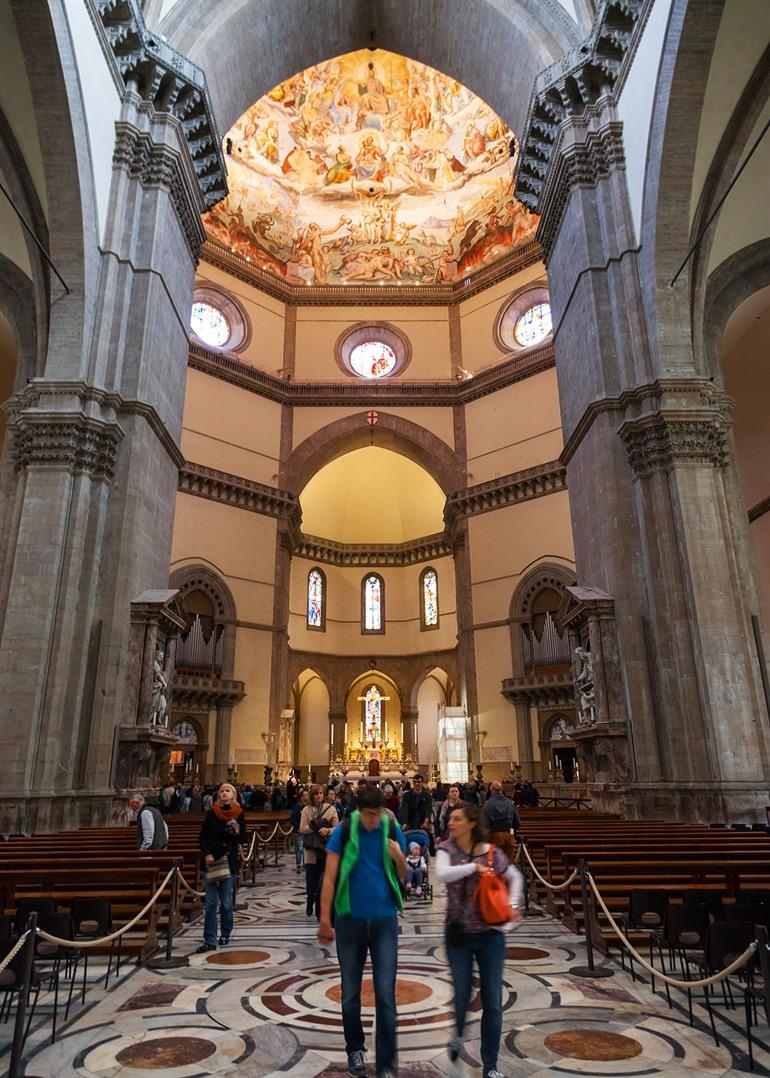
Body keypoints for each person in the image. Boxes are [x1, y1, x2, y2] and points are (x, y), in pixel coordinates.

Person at [318, 786, 407, 1078]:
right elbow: (329, 879)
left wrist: (398, 857)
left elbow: (404, 874)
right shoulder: (341, 832)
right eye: (368, 814)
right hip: (349, 921)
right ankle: (355, 1048)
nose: (373, 819)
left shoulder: (390, 829)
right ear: (358, 810)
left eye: (377, 813)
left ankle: (386, 1061)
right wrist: (324, 920)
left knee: (385, 993)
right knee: (350, 993)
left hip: (384, 921)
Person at [435, 803, 524, 1078]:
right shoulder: (445, 850)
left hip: (490, 936)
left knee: (493, 1001)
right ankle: (458, 1034)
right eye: (450, 819)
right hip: (459, 934)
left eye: (456, 819)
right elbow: (441, 873)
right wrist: (472, 868)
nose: (451, 823)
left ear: (471, 823)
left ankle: (491, 1065)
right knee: (462, 995)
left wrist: (510, 909)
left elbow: (515, 877)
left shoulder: (492, 853)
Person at [197, 782, 246, 952]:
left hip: (228, 861)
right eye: (222, 791)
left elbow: (242, 839)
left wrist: (237, 833)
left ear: (233, 795)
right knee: (210, 904)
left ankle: (225, 932)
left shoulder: (239, 814)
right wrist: (207, 853)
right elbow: (203, 836)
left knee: (225, 903)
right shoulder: (211, 814)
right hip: (211, 861)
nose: (224, 793)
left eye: (227, 791)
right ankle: (209, 939)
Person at [300, 784, 338, 917]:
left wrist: (328, 830)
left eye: (321, 793)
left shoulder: (331, 809)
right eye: (316, 794)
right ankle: (310, 902)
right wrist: (316, 826)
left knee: (324, 880)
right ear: (312, 795)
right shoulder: (306, 810)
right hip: (311, 850)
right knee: (311, 881)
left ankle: (321, 909)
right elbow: (302, 829)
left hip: (325, 848)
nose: (319, 796)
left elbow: (336, 828)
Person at [482, 781, 520, 859]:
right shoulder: (510, 803)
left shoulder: (487, 804)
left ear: (491, 789)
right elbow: (517, 822)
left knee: (496, 864)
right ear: (502, 789)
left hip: (494, 836)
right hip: (509, 835)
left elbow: (484, 824)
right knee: (509, 864)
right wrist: (512, 833)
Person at [291, 790, 309, 873]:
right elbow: (293, 819)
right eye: (306, 795)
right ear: (301, 797)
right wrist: (297, 828)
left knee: (307, 848)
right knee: (299, 849)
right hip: (299, 831)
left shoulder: (308, 807)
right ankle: (298, 865)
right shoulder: (297, 807)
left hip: (307, 831)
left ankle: (306, 864)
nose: (307, 796)